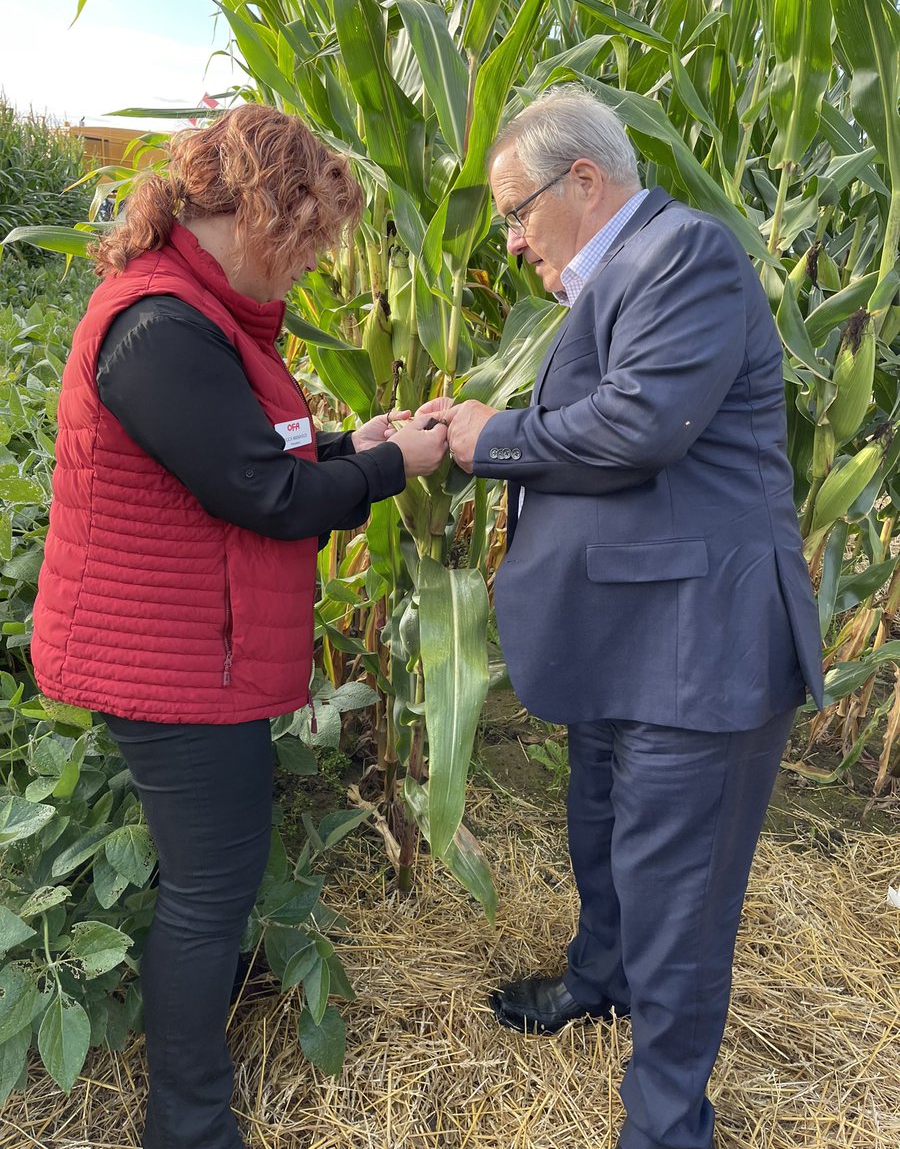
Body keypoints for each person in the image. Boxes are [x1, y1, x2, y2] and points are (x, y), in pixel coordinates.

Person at [31, 105, 447, 1149]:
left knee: (216, 874)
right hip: (171, 662)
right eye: (307, 235)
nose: (310, 263)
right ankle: (189, 1123)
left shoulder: (200, 322)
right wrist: (399, 467)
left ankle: (210, 1041)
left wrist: (363, 440)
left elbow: (261, 460)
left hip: (192, 649)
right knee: (208, 891)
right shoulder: (160, 330)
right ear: (260, 207)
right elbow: (266, 497)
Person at [420, 85, 823, 1149]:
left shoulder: (685, 254)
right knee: (601, 832)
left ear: (583, 183)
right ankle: (597, 981)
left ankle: (665, 1123)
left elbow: (641, 426)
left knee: (678, 900)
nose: (511, 242)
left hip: (700, 651)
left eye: (516, 214)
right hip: (629, 643)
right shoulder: (621, 282)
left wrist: (488, 437)